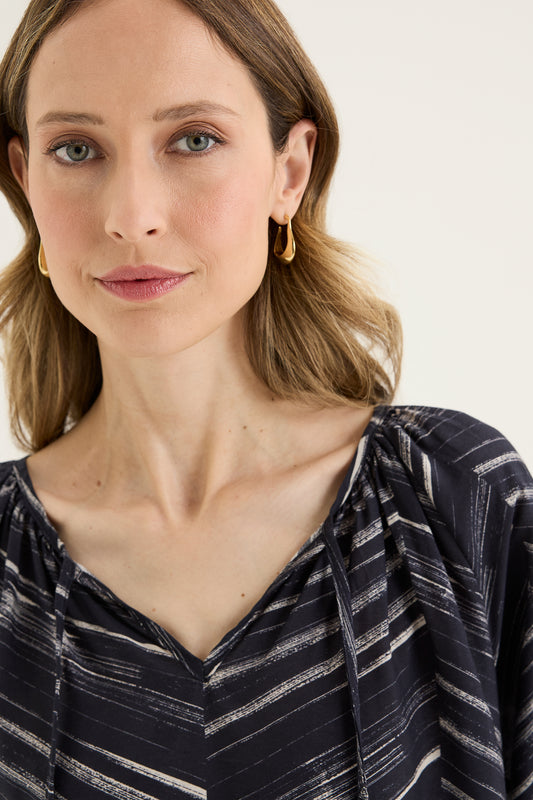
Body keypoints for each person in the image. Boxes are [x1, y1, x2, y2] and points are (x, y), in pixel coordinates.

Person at [0, 0, 530, 797]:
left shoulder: (453, 497)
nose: (131, 217)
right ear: (25, 180)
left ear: (290, 171)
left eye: (193, 140)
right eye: (76, 149)